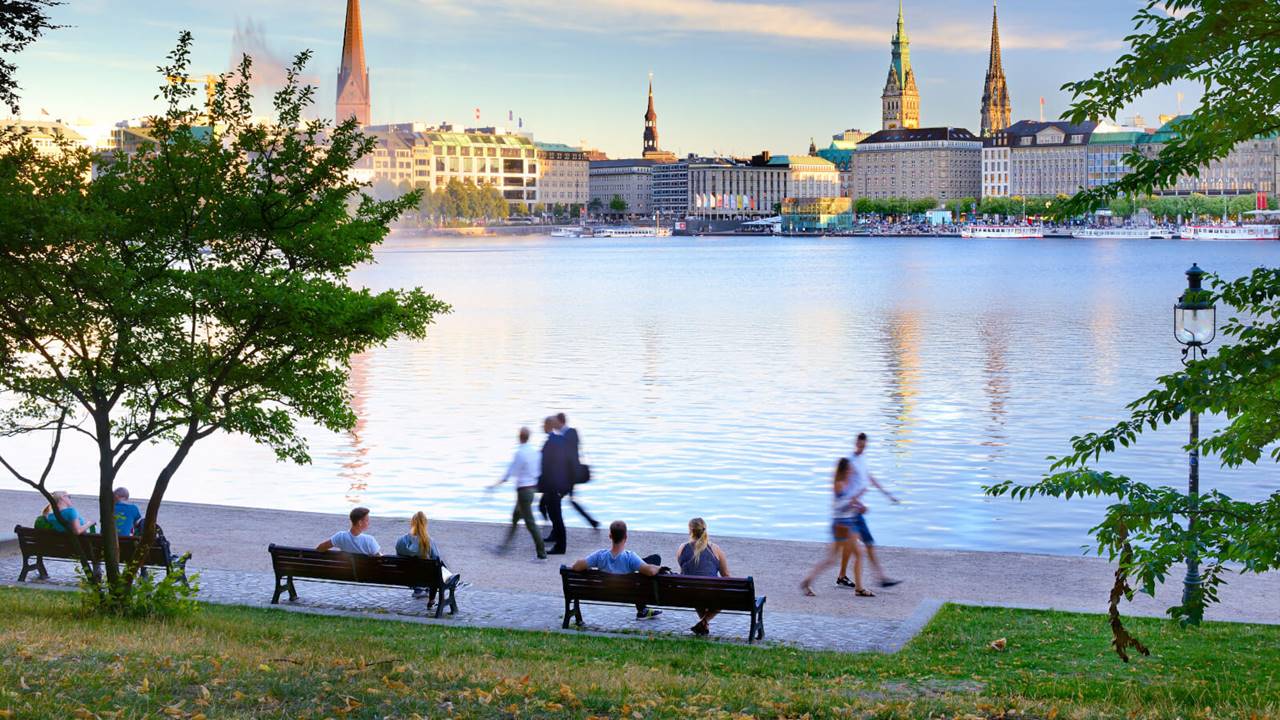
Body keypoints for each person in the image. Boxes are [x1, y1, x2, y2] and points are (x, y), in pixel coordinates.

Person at [800, 458, 871, 596]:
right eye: (849, 469)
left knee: (847, 556)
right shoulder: (839, 484)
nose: (851, 471)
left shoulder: (846, 484)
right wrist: (857, 498)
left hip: (847, 523)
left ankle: (808, 581)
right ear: (844, 470)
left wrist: (860, 506)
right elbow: (841, 506)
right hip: (842, 526)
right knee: (839, 557)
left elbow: (849, 502)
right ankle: (859, 589)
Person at [842, 432, 901, 590]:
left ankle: (846, 576)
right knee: (863, 545)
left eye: (864, 446)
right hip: (851, 511)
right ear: (856, 443)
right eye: (860, 445)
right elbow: (845, 487)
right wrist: (856, 503)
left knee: (861, 545)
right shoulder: (850, 461)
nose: (862, 448)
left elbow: (869, 478)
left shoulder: (862, 459)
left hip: (856, 510)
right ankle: (875, 580)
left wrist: (887, 494)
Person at [571, 520, 664, 620]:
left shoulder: (599, 556)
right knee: (655, 559)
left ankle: (643, 610)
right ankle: (642, 610)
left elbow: (576, 566)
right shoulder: (630, 557)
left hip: (605, 591)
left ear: (610, 536)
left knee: (646, 561)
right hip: (629, 592)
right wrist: (659, 568)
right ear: (626, 537)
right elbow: (650, 571)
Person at [491, 426, 546, 559]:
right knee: (516, 516)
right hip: (532, 489)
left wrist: (498, 482)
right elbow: (538, 472)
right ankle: (504, 546)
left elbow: (512, 471)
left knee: (530, 522)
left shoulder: (520, 453)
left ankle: (542, 553)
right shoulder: (535, 453)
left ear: (520, 436)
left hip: (523, 492)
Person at [676, 517, 731, 635]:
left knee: (695, 588)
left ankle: (704, 624)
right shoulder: (715, 549)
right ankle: (705, 620)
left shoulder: (682, 548)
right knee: (725, 596)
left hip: (688, 594)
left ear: (690, 531)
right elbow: (726, 575)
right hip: (710, 593)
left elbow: (685, 571)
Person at [538, 416, 575, 555]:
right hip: (553, 484)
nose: (542, 426)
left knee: (556, 514)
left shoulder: (553, 442)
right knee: (552, 511)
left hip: (554, 484)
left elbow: (549, 464)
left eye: (544, 424)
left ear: (549, 426)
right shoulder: (555, 440)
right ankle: (555, 536)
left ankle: (561, 546)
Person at [556, 412, 599, 529]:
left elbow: (568, 456)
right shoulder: (572, 433)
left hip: (569, 475)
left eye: (556, 423)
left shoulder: (568, 434)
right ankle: (592, 521)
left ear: (560, 422)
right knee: (568, 500)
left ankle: (555, 529)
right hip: (571, 474)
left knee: (553, 501)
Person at [395, 511, 449, 600]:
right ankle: (426, 590)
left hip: (405, 576)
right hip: (427, 577)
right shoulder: (428, 542)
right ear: (425, 524)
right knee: (437, 566)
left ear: (411, 523)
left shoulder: (400, 541)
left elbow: (398, 557)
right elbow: (436, 559)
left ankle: (418, 589)